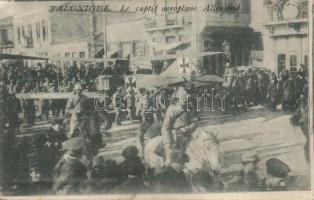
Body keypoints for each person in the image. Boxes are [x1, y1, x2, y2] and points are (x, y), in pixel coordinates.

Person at [161, 87, 196, 165]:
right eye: (183, 98)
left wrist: (188, 128)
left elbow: (194, 122)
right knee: (171, 161)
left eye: (186, 98)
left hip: (188, 135)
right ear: (178, 98)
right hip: (174, 138)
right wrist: (168, 144)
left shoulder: (188, 108)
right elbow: (165, 128)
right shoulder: (172, 109)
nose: (185, 100)